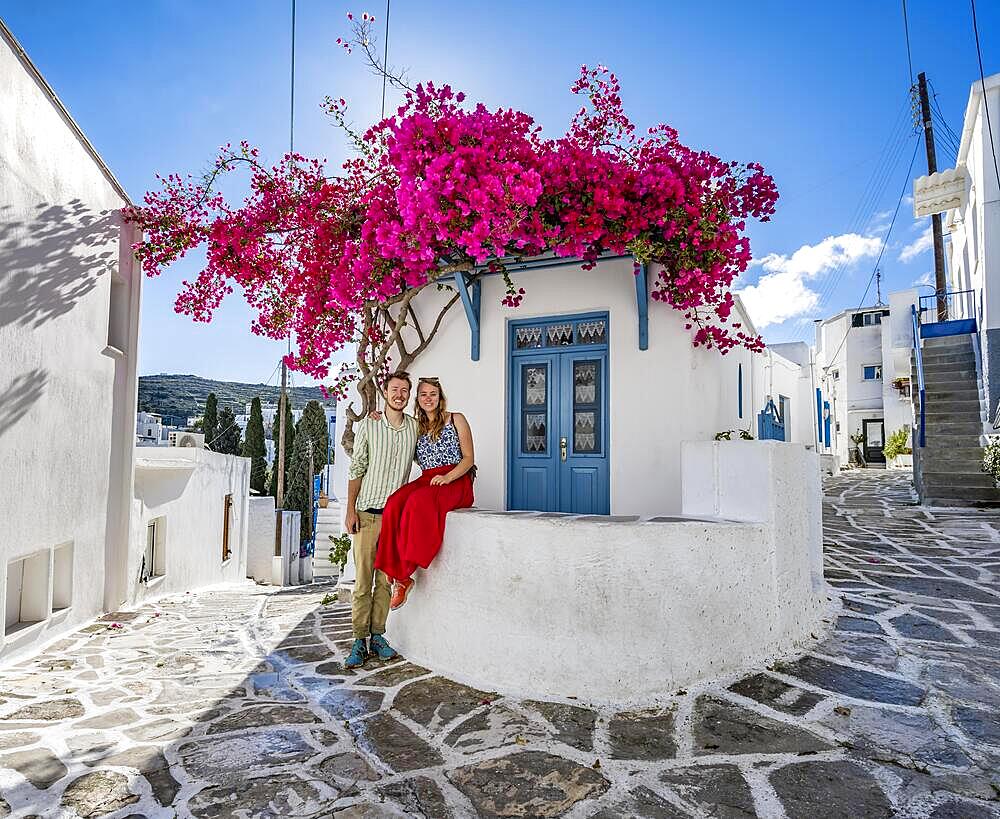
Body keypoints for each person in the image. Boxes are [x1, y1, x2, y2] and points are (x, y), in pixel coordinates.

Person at [375, 376, 475, 609]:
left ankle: (404, 573)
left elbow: (469, 459)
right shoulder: (415, 426)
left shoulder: (456, 419)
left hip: (456, 479)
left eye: (433, 394)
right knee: (394, 502)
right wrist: (376, 416)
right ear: (417, 399)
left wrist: (448, 477)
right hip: (428, 479)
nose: (428, 398)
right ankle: (397, 573)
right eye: (423, 394)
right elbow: (393, 430)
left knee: (418, 502)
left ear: (440, 397)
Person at [343, 371, 419, 669]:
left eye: (404, 390)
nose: (399, 394)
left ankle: (378, 636)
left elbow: (428, 458)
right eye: (394, 389)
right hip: (366, 515)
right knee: (362, 583)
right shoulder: (368, 426)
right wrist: (350, 510)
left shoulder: (414, 428)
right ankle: (358, 640)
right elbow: (357, 467)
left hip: (394, 519)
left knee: (385, 582)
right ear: (385, 393)